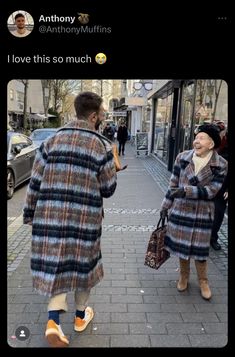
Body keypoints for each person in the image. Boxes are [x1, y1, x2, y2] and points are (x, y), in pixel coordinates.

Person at [23, 92, 117, 347]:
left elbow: (34, 183)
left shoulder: (52, 140)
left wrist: (30, 214)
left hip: (50, 217)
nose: (104, 118)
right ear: (94, 116)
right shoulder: (102, 145)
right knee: (83, 267)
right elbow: (108, 189)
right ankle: (79, 317)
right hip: (85, 220)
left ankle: (53, 321)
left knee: (57, 264)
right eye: (103, 114)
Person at [160, 124, 227, 300]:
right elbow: (173, 185)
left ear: (211, 144)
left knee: (200, 251)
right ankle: (183, 276)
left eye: (201, 138)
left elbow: (212, 191)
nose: (196, 141)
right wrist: (165, 206)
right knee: (182, 248)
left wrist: (187, 191)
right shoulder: (182, 157)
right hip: (181, 211)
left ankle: (203, 281)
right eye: (196, 137)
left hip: (202, 213)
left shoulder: (221, 164)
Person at [210, 121, 228, 250]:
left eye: (221, 132)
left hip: (223, 186)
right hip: (206, 185)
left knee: (218, 214)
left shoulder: (227, 145)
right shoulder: (208, 145)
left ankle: (213, 238)